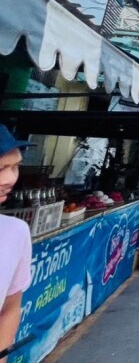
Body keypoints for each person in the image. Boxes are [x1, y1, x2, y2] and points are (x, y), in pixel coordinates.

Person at [0, 125, 34, 358]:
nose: (10, 178)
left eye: (15, 167)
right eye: (1, 168)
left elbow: (10, 309)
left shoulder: (15, 232)